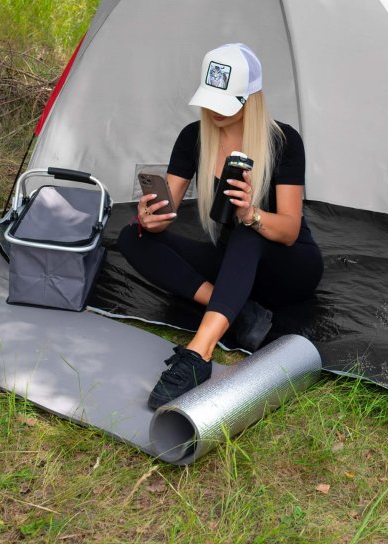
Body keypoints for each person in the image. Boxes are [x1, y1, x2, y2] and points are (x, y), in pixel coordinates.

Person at [117, 43, 324, 408]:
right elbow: (166, 210)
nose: (214, 111)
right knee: (130, 236)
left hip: (289, 268)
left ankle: (198, 354)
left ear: (250, 99)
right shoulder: (193, 137)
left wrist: (250, 214)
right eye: (210, 100)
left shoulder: (284, 141)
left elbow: (290, 231)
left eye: (225, 103)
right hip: (235, 266)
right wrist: (150, 218)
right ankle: (237, 310)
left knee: (247, 232)